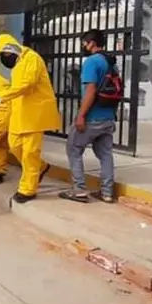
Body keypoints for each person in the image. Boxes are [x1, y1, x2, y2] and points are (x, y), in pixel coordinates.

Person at [0, 34, 60, 203]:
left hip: (35, 113)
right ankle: (40, 167)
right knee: (14, 146)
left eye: (3, 55)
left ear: (11, 50)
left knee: (29, 153)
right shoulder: (18, 64)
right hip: (20, 112)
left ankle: (27, 189)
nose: (3, 60)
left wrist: (2, 96)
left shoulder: (32, 59)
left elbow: (26, 85)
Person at [58, 29, 121, 204]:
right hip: (108, 117)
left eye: (84, 43)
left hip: (92, 117)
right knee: (106, 154)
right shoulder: (111, 62)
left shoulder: (91, 62)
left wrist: (81, 116)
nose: (83, 46)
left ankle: (79, 190)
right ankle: (107, 193)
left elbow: (90, 91)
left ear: (91, 43)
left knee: (73, 149)